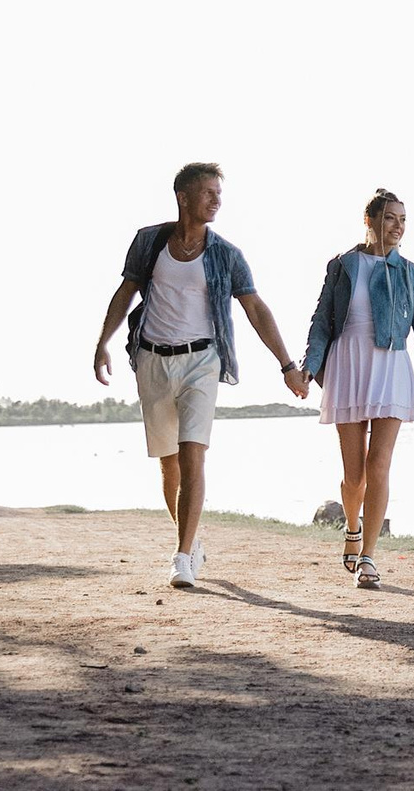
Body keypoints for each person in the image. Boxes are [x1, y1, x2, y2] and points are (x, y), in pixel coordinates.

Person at [92, 161, 308, 589]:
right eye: (208, 193)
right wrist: (102, 343)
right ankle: (191, 543)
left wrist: (287, 366)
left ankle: (182, 556)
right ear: (183, 197)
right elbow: (125, 292)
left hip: (202, 361)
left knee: (193, 454)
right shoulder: (149, 242)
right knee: (169, 467)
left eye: (219, 193)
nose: (217, 201)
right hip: (152, 360)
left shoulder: (226, 254)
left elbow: (256, 309)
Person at [300, 187, 414, 590]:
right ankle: (351, 528)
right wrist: (309, 368)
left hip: (391, 366)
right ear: (369, 221)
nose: (398, 226)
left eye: (403, 219)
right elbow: (321, 321)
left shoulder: (411, 273)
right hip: (349, 366)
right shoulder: (342, 265)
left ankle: (368, 556)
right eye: (390, 218)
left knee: (379, 465)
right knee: (353, 476)